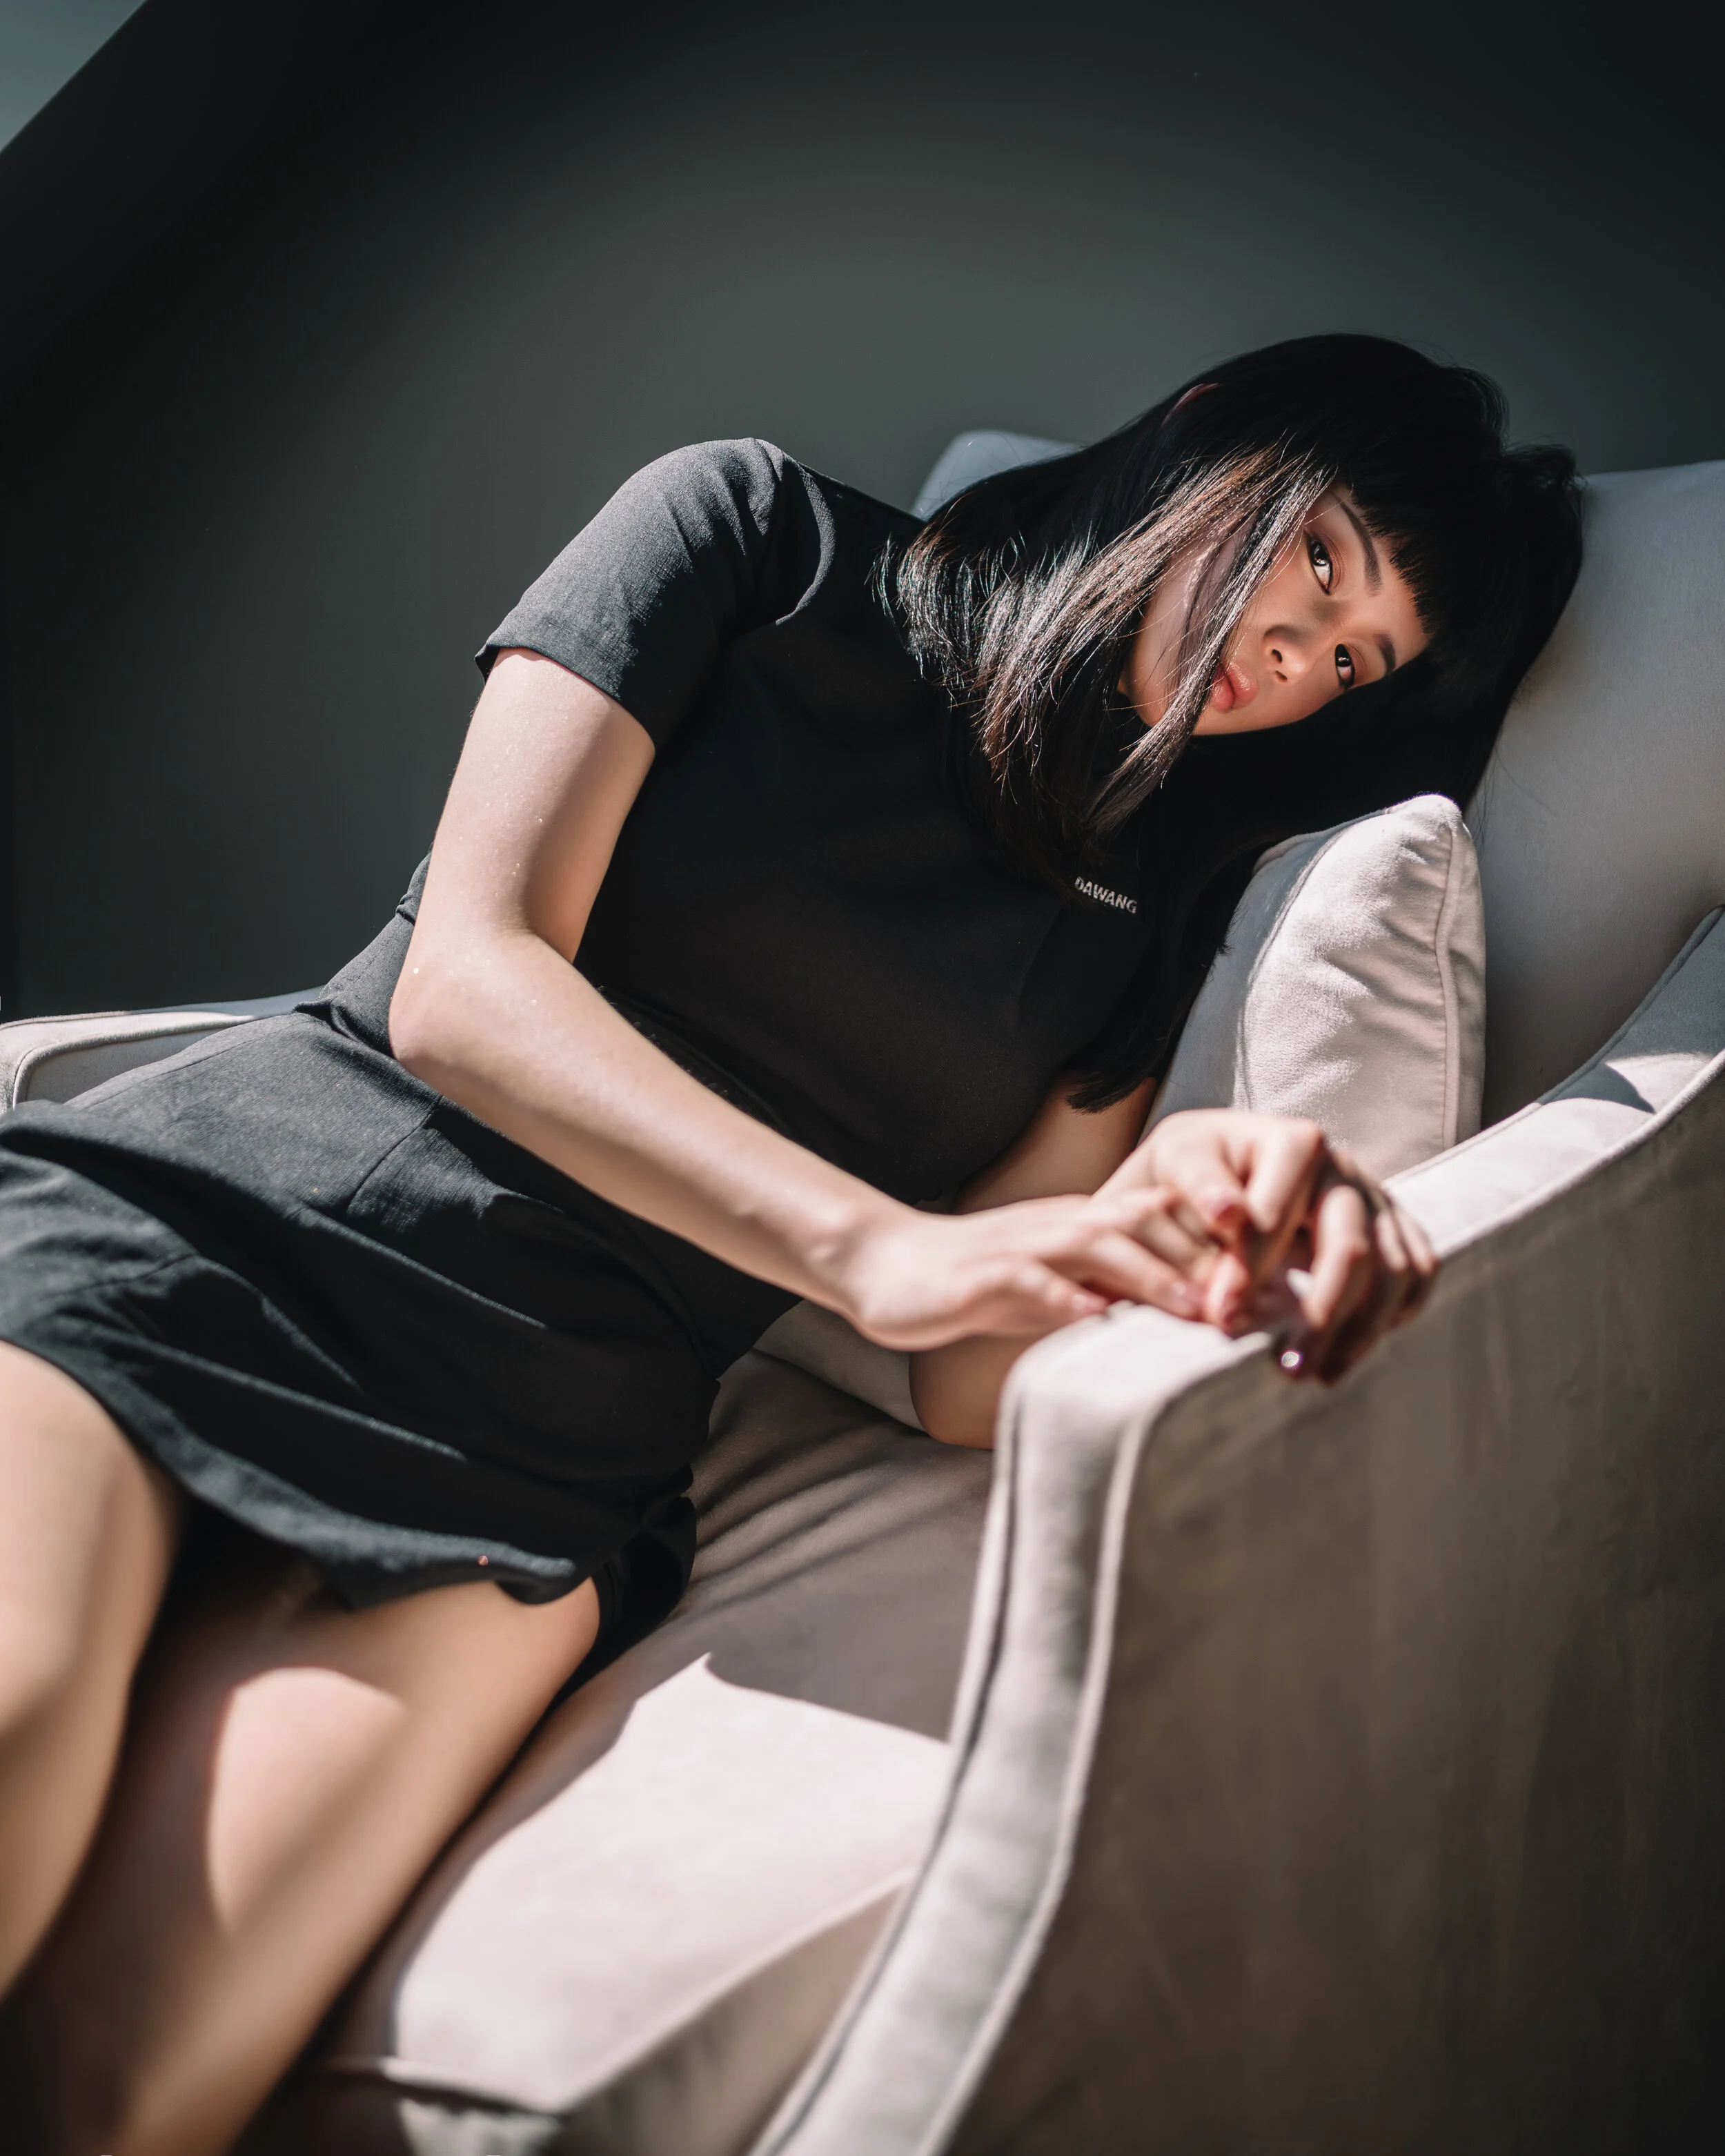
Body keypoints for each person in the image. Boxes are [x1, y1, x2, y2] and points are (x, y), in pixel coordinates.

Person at [0, 333, 1581, 2153]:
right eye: (1317, 557)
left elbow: (963, 1371)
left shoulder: (1142, 903)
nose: (1298, 653)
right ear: (1207, 432)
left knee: (112, 2090)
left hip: (541, 1449)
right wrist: (864, 1241)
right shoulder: (750, 533)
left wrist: (1174, 1196)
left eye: (1353, 657)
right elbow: (466, 983)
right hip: (215, 1226)